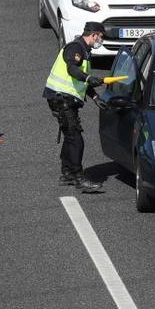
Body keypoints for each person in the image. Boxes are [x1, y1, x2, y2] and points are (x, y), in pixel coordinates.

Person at [43, 21, 107, 193]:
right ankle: (79, 178)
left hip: (64, 99)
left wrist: (94, 97)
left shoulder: (85, 51)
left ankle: (67, 174)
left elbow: (81, 80)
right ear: (94, 35)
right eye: (101, 37)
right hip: (60, 98)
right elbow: (73, 70)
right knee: (76, 139)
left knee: (70, 136)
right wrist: (88, 78)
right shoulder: (75, 48)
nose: (101, 41)